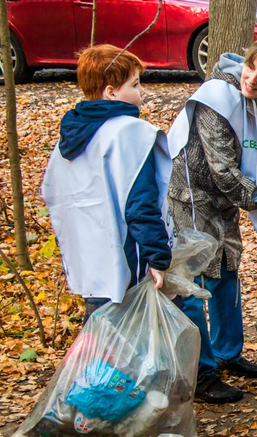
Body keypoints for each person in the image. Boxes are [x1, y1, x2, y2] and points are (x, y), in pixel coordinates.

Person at [167, 39, 257, 404]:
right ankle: (202, 371)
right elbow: (224, 171)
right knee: (194, 280)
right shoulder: (217, 99)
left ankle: (228, 352)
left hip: (224, 201)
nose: (253, 80)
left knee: (226, 269)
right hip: (192, 196)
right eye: (252, 69)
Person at [42, 45, 185, 322]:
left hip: (88, 263)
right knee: (132, 350)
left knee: (100, 344)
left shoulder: (68, 140)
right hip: (126, 263)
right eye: (135, 84)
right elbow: (140, 203)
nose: (142, 92)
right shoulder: (129, 133)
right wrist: (157, 258)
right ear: (111, 92)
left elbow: (53, 193)